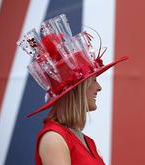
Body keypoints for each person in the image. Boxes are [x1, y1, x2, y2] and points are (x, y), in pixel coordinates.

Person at [18, 14, 128, 164]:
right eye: (93, 80)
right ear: (77, 90)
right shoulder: (54, 138)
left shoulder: (86, 141)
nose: (99, 87)